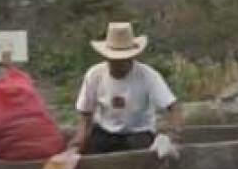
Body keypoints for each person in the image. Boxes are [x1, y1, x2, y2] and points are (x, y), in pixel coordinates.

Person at [68, 22, 182, 154]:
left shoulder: (147, 75)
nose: (119, 64)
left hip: (139, 131)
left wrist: (172, 135)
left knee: (141, 154)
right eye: (115, 60)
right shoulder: (95, 74)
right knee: (93, 151)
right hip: (106, 131)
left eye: (124, 60)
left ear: (132, 57)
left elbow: (174, 107)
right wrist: (80, 138)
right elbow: (85, 112)